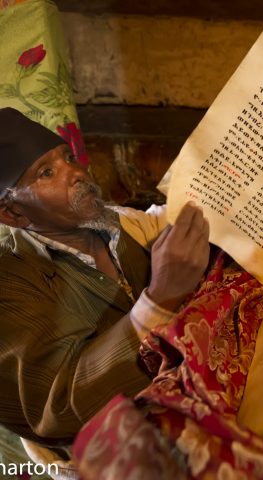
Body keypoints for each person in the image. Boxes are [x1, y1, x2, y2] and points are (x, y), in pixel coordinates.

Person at [0, 107, 210, 445]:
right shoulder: (11, 284)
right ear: (12, 213)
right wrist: (161, 297)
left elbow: (163, 218)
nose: (75, 173)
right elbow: (62, 408)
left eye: (68, 157)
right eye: (47, 173)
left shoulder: (116, 223)